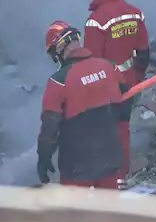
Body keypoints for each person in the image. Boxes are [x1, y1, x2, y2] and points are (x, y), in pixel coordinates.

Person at [79, 0, 149, 179]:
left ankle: (110, 181)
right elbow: (144, 54)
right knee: (122, 131)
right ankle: (122, 176)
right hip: (129, 84)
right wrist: (137, 81)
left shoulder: (95, 22)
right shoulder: (134, 13)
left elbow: (91, 65)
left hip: (106, 90)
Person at [37, 21, 125, 189]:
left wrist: (43, 158)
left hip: (76, 167)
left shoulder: (58, 82)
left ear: (60, 48)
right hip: (111, 157)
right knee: (110, 209)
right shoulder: (109, 66)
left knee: (75, 214)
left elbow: (49, 127)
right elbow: (125, 104)